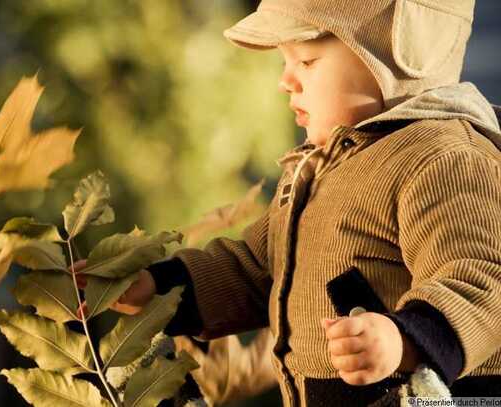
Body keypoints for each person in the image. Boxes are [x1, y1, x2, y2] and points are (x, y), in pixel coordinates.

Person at [78, 0, 501, 405]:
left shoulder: (442, 157)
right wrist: (159, 288)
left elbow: (483, 277)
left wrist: (404, 340)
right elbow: (255, 269)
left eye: (307, 61)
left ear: (399, 60)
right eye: (285, 62)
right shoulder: (317, 170)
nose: (286, 80)